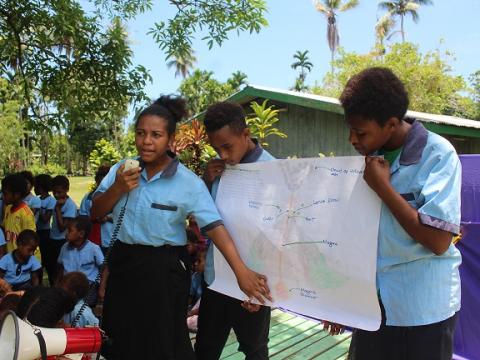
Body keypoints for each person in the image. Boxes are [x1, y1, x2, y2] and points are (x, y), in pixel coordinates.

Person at [91, 95, 271, 360]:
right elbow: (96, 211)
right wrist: (118, 188)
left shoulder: (188, 183)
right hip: (124, 264)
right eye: (141, 133)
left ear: (170, 140)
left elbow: (215, 227)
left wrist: (241, 271)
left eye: (156, 134)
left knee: (163, 342)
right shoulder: (121, 170)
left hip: (164, 269)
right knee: (119, 337)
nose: (147, 141)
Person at [337, 67, 461, 360]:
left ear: (391, 124)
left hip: (422, 310)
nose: (352, 140)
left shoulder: (438, 155)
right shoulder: (364, 160)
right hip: (372, 306)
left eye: (360, 132)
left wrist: (384, 189)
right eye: (350, 129)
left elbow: (439, 241)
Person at [195, 101, 275, 360]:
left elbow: (279, 236)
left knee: (254, 350)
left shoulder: (275, 172)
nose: (223, 155)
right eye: (216, 148)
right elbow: (204, 219)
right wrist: (207, 181)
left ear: (246, 133)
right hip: (216, 280)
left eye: (227, 146)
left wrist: (261, 291)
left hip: (254, 286)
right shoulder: (217, 171)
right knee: (206, 348)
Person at [57, 216, 104, 306]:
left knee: (82, 309)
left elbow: (104, 269)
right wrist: (57, 285)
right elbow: (60, 267)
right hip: (68, 287)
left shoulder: (93, 249)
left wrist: (101, 289)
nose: (66, 233)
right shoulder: (64, 247)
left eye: (70, 231)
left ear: (81, 234)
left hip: (88, 288)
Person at [45, 175, 77, 286]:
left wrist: (58, 209)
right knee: (51, 266)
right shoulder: (57, 202)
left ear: (67, 190)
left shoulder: (70, 205)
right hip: (53, 238)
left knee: (60, 269)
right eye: (54, 192)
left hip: (62, 241)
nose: (56, 195)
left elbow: (62, 227)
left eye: (59, 192)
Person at [2, 174, 37, 257]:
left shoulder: (26, 214)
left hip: (23, 260)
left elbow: (31, 241)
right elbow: (4, 228)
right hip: (11, 258)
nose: (3, 197)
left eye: (5, 194)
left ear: (17, 194)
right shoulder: (8, 209)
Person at [79, 165, 112, 249]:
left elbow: (125, 217)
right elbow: (82, 216)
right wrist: (93, 217)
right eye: (100, 185)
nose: (102, 189)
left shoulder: (118, 197)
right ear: (96, 182)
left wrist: (107, 218)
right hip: (91, 239)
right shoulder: (88, 197)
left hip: (110, 240)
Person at [34, 174, 56, 271]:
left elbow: (46, 219)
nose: (34, 189)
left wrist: (38, 209)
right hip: (36, 231)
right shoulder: (37, 200)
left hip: (45, 233)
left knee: (46, 259)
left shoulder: (51, 201)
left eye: (36, 186)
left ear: (41, 187)